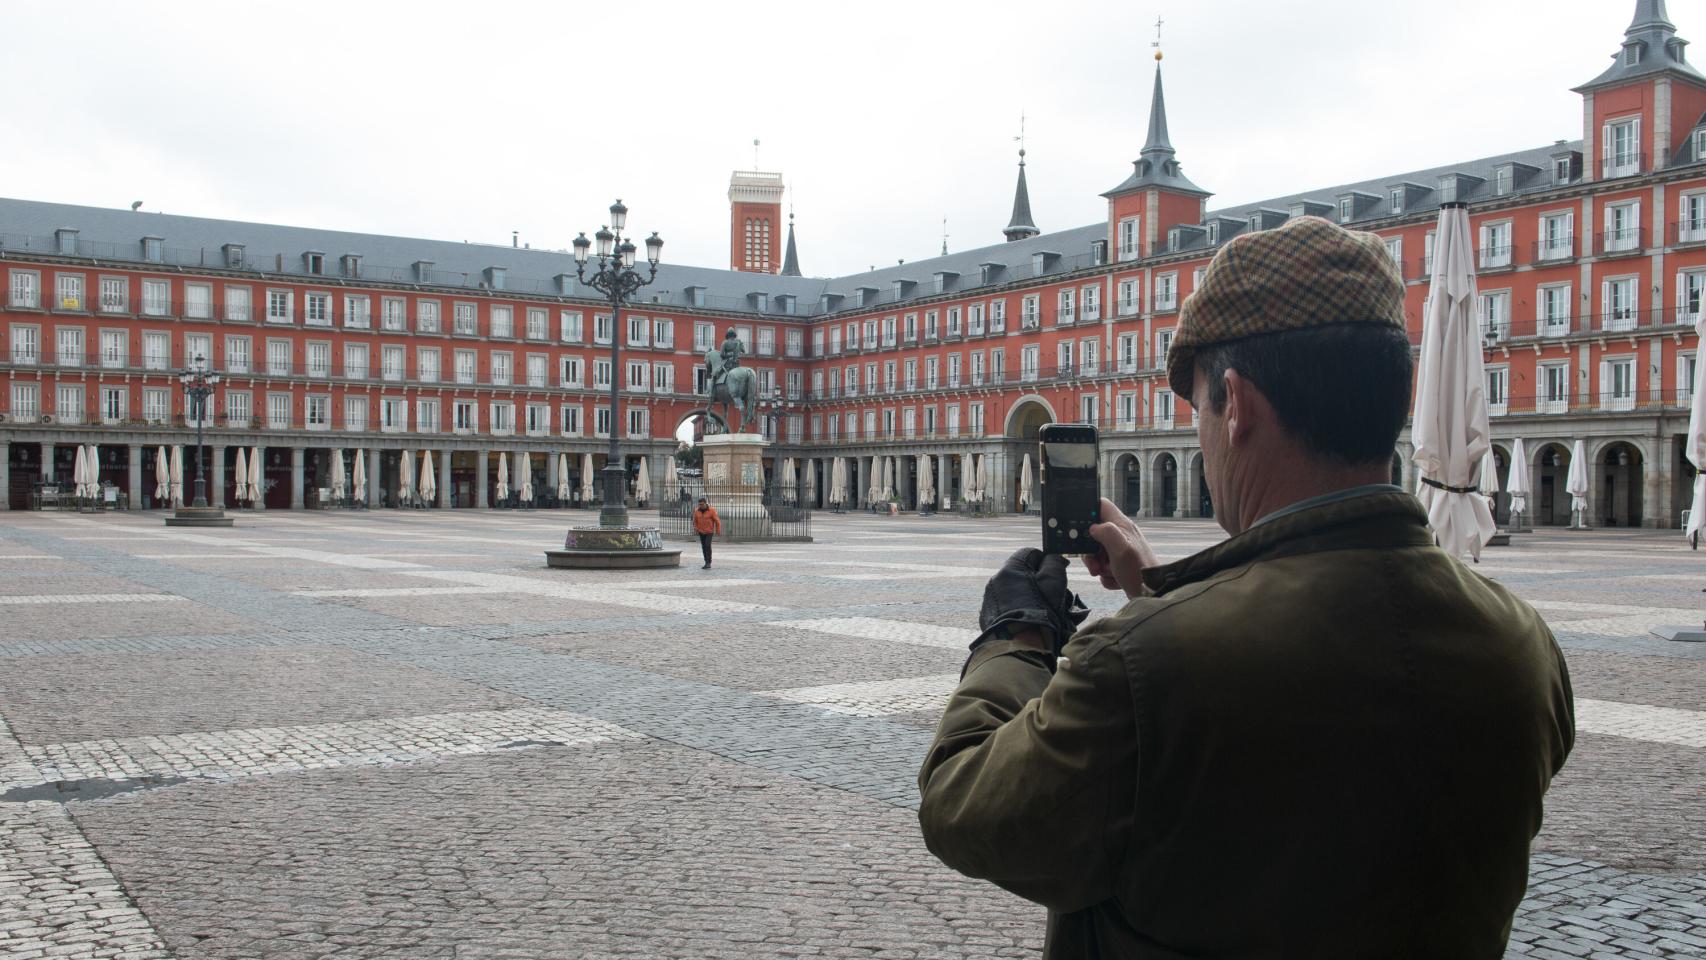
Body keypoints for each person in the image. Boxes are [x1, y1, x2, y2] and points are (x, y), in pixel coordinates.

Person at [917, 216, 1575, 958]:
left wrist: (1015, 637)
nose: (1201, 433)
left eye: (1201, 409)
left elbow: (963, 808)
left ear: (1238, 406)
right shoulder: (1522, 646)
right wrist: (1160, 595)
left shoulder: (1140, 666)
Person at [692, 496, 721, 569]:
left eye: (702, 504)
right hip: (701, 531)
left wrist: (718, 530)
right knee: (703, 547)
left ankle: (708, 562)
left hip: (709, 531)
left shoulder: (712, 511)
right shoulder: (696, 511)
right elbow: (695, 521)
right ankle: (706, 561)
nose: (701, 506)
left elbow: (717, 521)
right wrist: (696, 528)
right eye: (699, 504)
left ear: (705, 503)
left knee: (708, 545)